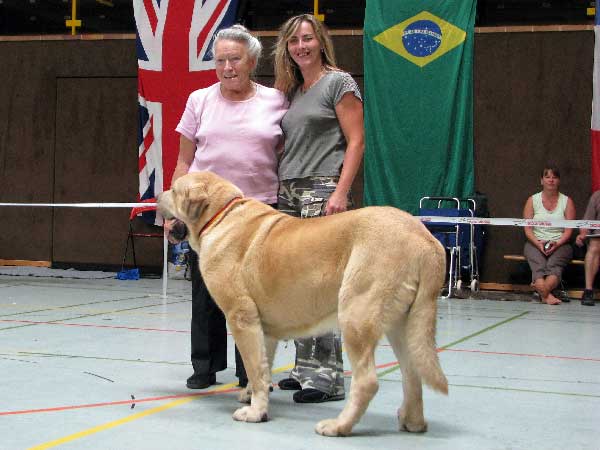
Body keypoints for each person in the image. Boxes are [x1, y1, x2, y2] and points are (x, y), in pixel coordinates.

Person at [165, 25, 287, 389]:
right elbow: (184, 163)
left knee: (253, 295)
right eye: (220, 61)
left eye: (235, 59)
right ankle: (204, 365)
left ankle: (249, 371)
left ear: (251, 61)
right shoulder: (199, 100)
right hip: (206, 215)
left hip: (258, 212)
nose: (228, 67)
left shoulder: (276, 101)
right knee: (206, 292)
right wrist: (175, 210)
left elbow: (285, 154)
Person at [273, 14, 364, 403]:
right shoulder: (294, 90)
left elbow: (356, 141)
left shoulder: (339, 83)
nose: (301, 46)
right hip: (289, 194)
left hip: (323, 189)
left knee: (324, 287)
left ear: (320, 41)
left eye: (307, 38)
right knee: (297, 287)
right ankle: (304, 367)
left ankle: (328, 378)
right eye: (294, 41)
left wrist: (340, 193)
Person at [522, 166, 576, 305]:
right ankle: (547, 295)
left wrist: (557, 244)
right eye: (547, 177)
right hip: (535, 241)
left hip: (561, 243)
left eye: (554, 177)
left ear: (559, 181)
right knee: (538, 265)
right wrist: (538, 243)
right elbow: (527, 229)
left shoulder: (567, 201)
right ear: (542, 181)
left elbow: (569, 231)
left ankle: (541, 290)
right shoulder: (532, 200)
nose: (551, 180)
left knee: (554, 265)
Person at [575, 190, 600, 306]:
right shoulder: (597, 196)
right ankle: (588, 291)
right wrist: (582, 234)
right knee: (594, 246)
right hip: (598, 237)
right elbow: (587, 221)